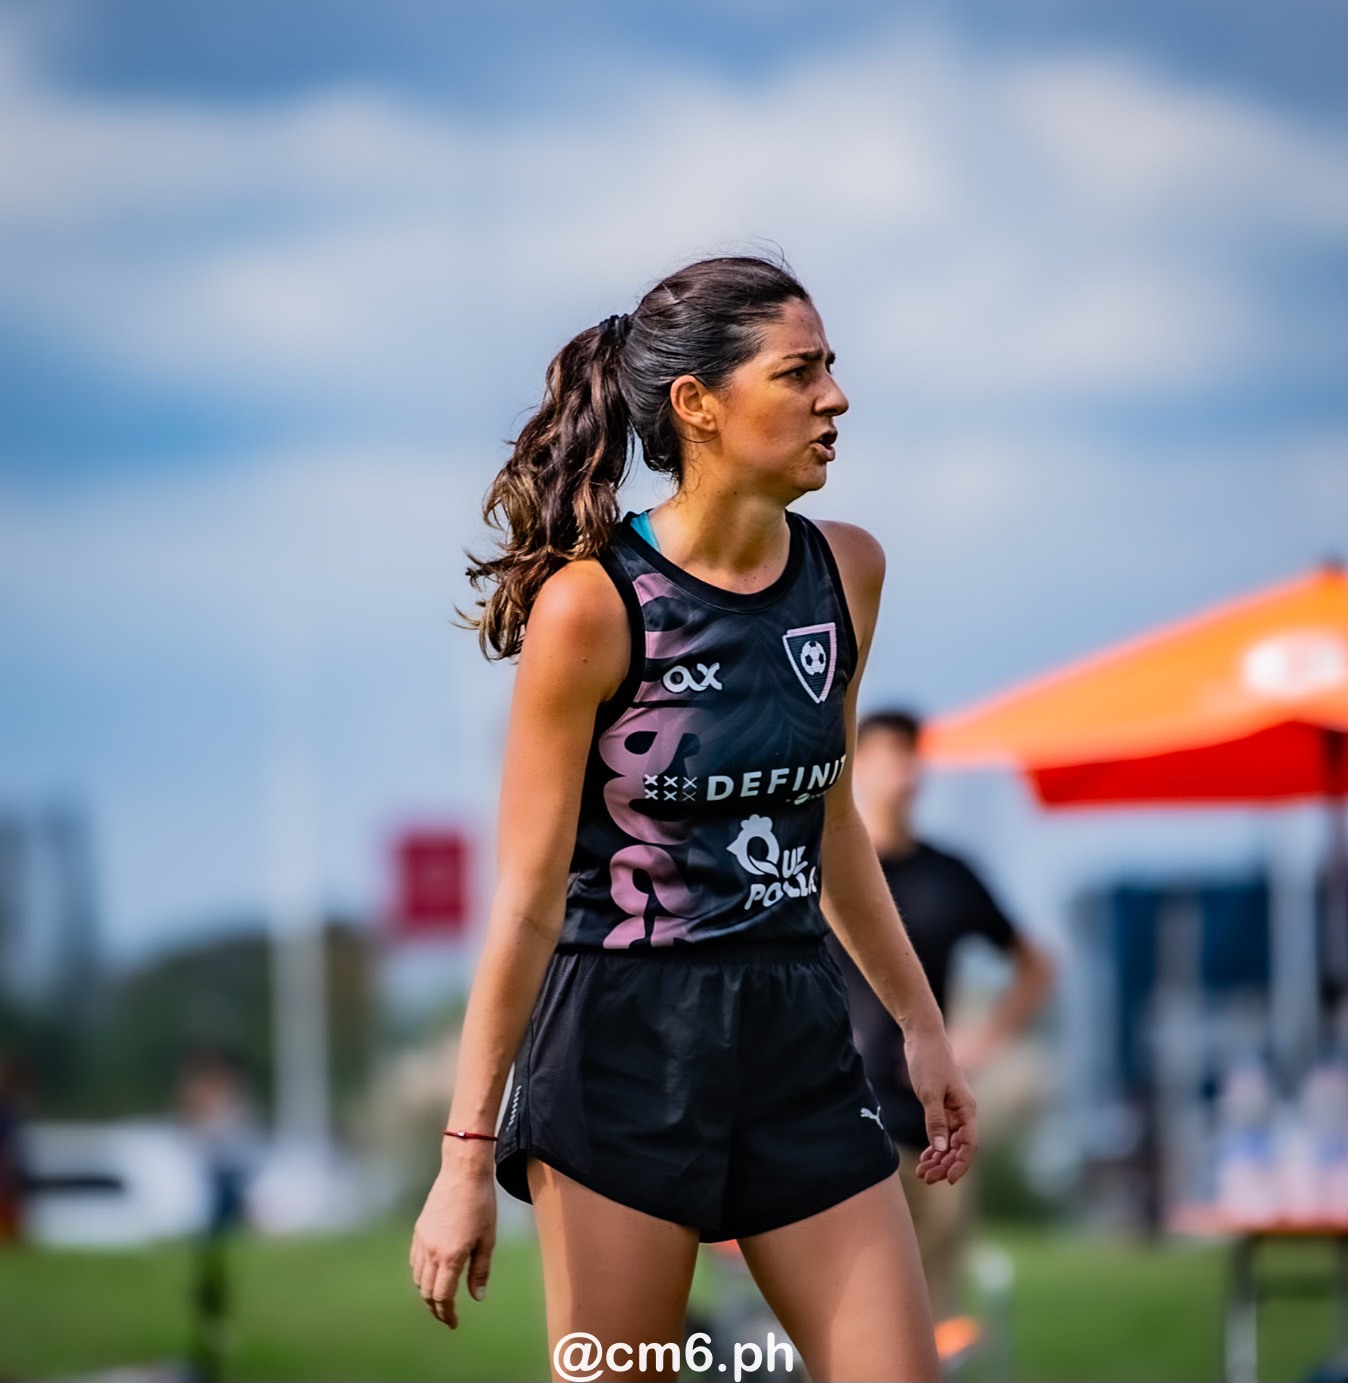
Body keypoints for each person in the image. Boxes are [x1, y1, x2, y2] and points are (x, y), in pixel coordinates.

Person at [409, 253, 978, 1383]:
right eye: (799, 372)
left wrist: (918, 1026)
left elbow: (830, 821)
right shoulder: (590, 607)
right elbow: (521, 904)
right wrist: (464, 1156)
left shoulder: (847, 571)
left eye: (832, 368)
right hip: (618, 1051)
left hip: (798, 1039)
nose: (836, 398)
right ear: (698, 406)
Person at [824, 708, 1055, 1322]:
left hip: (930, 1117)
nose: (904, 770)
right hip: (837, 1112)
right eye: (887, 755)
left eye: (911, 755)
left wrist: (978, 1041)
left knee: (934, 1313)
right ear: (856, 764)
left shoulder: (947, 875)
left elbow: (1035, 964)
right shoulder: (825, 873)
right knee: (851, 1310)